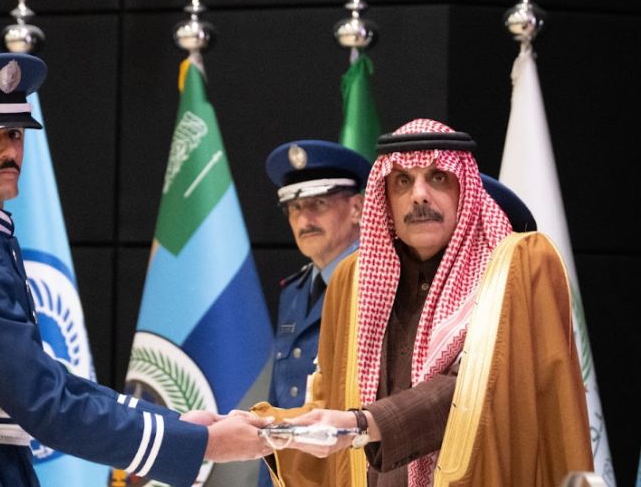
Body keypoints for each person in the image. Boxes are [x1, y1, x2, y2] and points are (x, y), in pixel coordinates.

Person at [0, 53, 271, 487]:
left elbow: (49, 381)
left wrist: (176, 426)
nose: (8, 150)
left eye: (15, 133)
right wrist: (202, 446)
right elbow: (46, 401)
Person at [252, 118, 593, 487]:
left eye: (438, 177)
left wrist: (363, 423)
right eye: (402, 181)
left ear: (466, 191)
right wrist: (268, 429)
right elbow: (334, 405)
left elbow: (480, 388)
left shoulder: (519, 266)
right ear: (384, 199)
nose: (418, 195)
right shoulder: (355, 278)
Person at [264, 140, 370, 409]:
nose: (304, 221)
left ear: (356, 209)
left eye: (319, 203)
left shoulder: (377, 281)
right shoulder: (293, 291)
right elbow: (280, 397)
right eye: (295, 207)